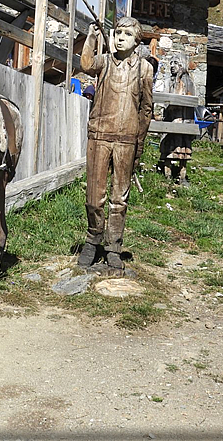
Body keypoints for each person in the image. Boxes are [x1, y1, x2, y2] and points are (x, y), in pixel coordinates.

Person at [78, 17, 153, 272]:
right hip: (99, 136)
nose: (121, 38)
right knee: (94, 197)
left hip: (127, 140)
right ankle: (92, 240)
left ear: (136, 41)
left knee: (119, 198)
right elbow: (86, 64)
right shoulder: (106, 62)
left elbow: (146, 109)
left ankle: (113, 247)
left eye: (127, 34)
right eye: (118, 33)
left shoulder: (144, 69)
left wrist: (139, 144)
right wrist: (91, 38)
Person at [158, 53, 195, 183]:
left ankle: (182, 174)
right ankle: (166, 173)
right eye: (171, 63)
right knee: (168, 146)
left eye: (175, 63)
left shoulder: (188, 81)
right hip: (170, 118)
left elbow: (187, 100)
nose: (172, 66)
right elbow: (165, 98)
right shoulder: (169, 80)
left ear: (182, 65)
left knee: (182, 148)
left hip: (182, 118)